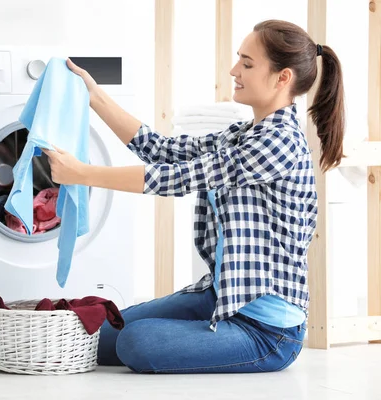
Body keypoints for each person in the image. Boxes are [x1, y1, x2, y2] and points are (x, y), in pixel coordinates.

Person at [42, 19, 345, 374]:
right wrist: (94, 96)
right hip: (221, 299)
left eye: (247, 64)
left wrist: (83, 174)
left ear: (283, 78)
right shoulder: (244, 133)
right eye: (239, 60)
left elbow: (179, 178)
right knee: (98, 334)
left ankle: (203, 339)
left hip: (267, 332)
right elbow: (163, 151)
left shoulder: (279, 142)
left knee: (134, 342)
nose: (234, 70)